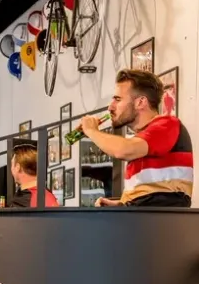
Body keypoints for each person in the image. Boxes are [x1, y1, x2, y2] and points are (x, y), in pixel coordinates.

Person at [80, 69, 193, 207]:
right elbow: (145, 196)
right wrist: (120, 204)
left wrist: (91, 131)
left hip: (161, 224)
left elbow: (123, 150)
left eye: (117, 99)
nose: (110, 107)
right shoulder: (140, 143)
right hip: (145, 221)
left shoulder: (167, 125)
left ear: (140, 102)